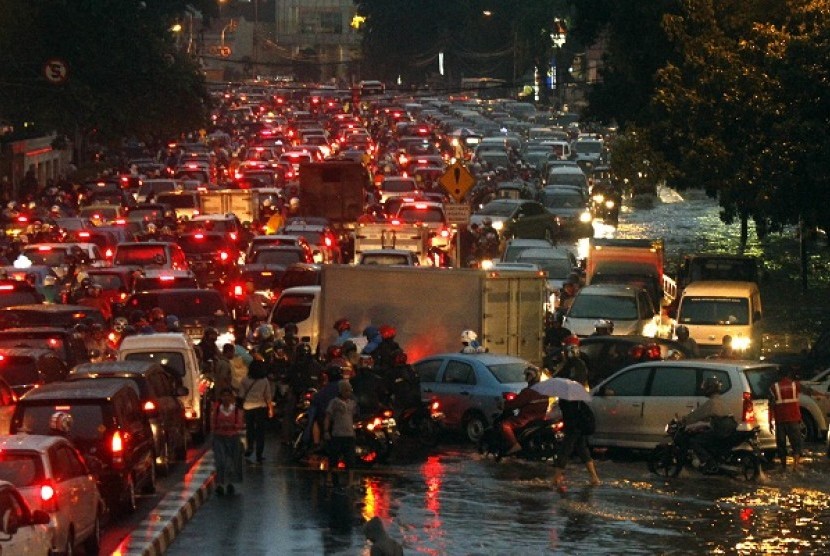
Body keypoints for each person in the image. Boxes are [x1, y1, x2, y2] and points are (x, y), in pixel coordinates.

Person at [551, 361, 600, 492]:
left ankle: (556, 477)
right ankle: (594, 477)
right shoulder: (572, 392)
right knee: (582, 449)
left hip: (574, 426)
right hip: (577, 425)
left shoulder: (568, 395)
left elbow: (570, 413)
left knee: (565, 449)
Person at [769, 366, 828, 469]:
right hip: (794, 419)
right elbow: (809, 391)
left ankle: (783, 468)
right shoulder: (795, 385)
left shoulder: (774, 387)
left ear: (779, 375)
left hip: (780, 421)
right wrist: (823, 395)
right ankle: (795, 467)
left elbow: (771, 406)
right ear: (789, 374)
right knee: (796, 444)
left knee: (781, 445)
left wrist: (770, 421)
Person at [682, 377, 733, 472]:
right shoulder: (720, 400)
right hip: (726, 428)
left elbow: (697, 415)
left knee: (694, 441)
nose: (704, 389)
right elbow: (707, 417)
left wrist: (684, 420)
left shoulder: (712, 403)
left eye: (705, 387)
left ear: (710, 388)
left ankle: (708, 462)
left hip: (720, 430)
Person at [501, 367, 550, 455]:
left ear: (532, 377)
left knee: (505, 425)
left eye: (528, 375)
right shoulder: (544, 391)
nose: (526, 378)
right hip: (540, 418)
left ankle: (514, 445)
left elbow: (515, 404)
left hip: (525, 419)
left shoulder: (528, 392)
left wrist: (504, 405)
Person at [324, 379, 359, 488]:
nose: (349, 393)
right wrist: (326, 431)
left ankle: (350, 481)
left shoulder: (352, 403)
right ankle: (329, 478)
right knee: (333, 458)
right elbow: (328, 417)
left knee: (350, 460)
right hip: (337, 434)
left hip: (349, 435)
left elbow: (355, 416)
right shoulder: (334, 402)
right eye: (346, 391)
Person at [240, 356, 275, 464]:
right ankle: (259, 454)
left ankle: (250, 447)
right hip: (261, 407)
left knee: (250, 429)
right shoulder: (264, 380)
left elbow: (241, 394)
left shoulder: (245, 380)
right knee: (260, 431)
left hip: (248, 407)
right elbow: (268, 396)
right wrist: (270, 409)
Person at [211, 387, 245, 496]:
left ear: (231, 398)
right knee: (220, 461)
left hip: (233, 438)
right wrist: (220, 427)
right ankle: (220, 484)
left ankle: (230, 483)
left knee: (231, 462)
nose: (225, 398)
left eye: (228, 396)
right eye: (223, 395)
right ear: (221, 397)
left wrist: (231, 426)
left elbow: (239, 425)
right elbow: (212, 424)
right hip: (219, 438)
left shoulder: (236, 411)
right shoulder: (216, 410)